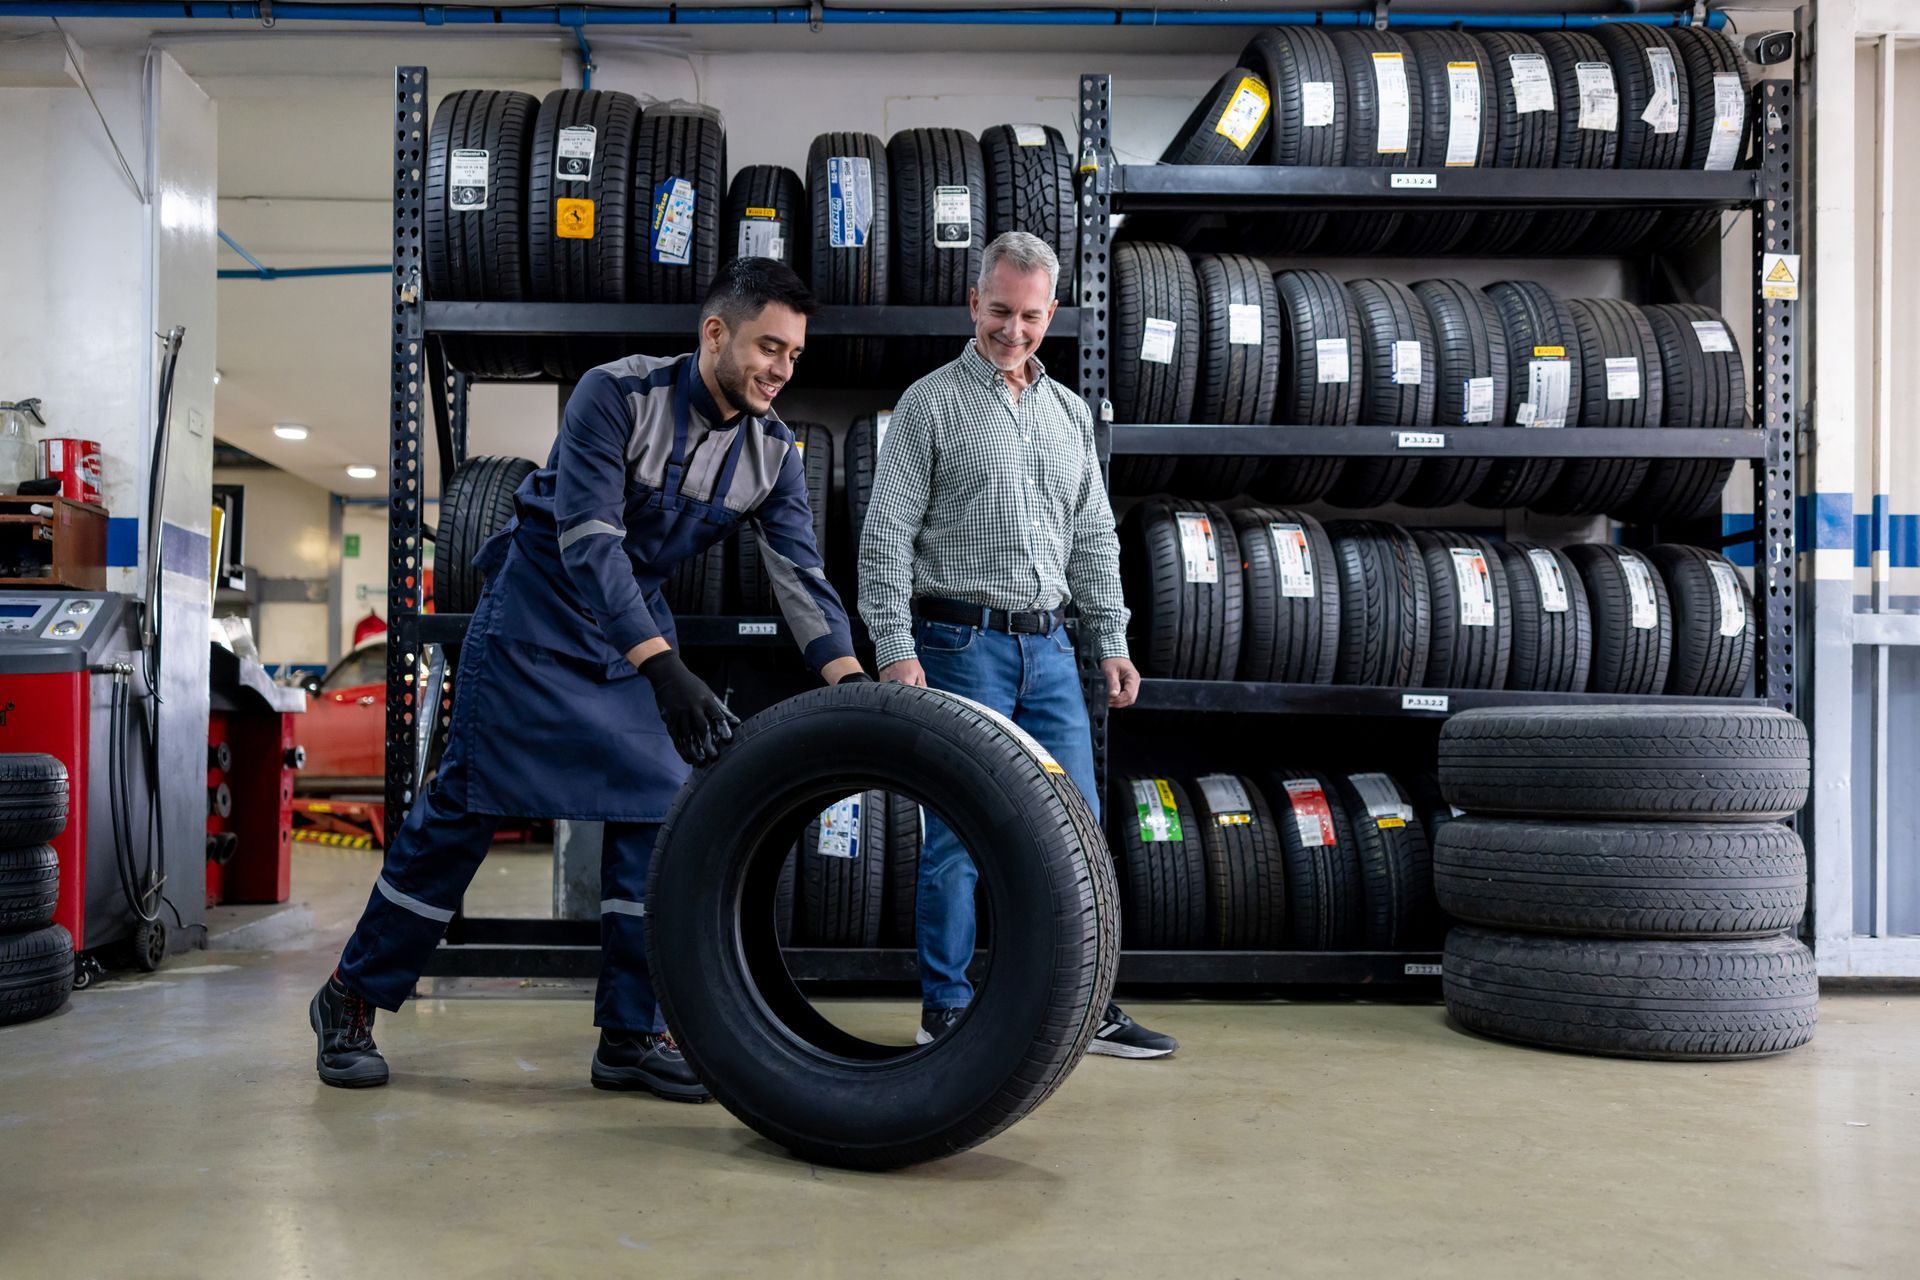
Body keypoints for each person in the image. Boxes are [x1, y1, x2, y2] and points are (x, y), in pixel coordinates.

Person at [311, 258, 867, 1099]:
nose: (781, 369)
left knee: (656, 817)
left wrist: (855, 687)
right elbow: (589, 539)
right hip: (537, 608)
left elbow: (803, 581)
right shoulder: (617, 394)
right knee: (465, 808)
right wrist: (667, 671)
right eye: (767, 347)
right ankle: (350, 997)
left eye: (793, 355)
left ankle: (631, 1034)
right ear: (716, 332)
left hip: (629, 629)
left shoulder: (771, 454)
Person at [858, 231, 1178, 1060]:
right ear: (974, 303)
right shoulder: (930, 403)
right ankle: (948, 1008)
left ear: (1052, 313)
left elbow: (1094, 538)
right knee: (959, 834)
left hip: (1051, 651)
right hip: (960, 642)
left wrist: (1110, 638)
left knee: (1077, 832)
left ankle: (1081, 1005)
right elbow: (885, 537)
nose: (1013, 330)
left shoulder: (1070, 413)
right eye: (999, 310)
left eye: (1030, 316)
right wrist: (895, 648)